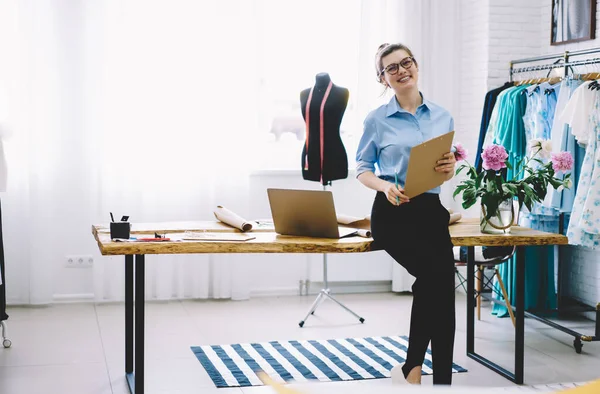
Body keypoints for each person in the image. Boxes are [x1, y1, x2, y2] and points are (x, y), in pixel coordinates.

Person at [355, 43, 457, 385]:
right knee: (437, 282)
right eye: (391, 68)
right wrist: (384, 186)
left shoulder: (442, 116)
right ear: (383, 78)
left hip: (430, 211)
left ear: (416, 65)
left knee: (439, 286)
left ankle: (428, 374)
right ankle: (418, 369)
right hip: (393, 212)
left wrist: (450, 167)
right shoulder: (377, 119)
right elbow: (363, 169)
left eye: (406, 62)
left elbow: (445, 171)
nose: (401, 71)